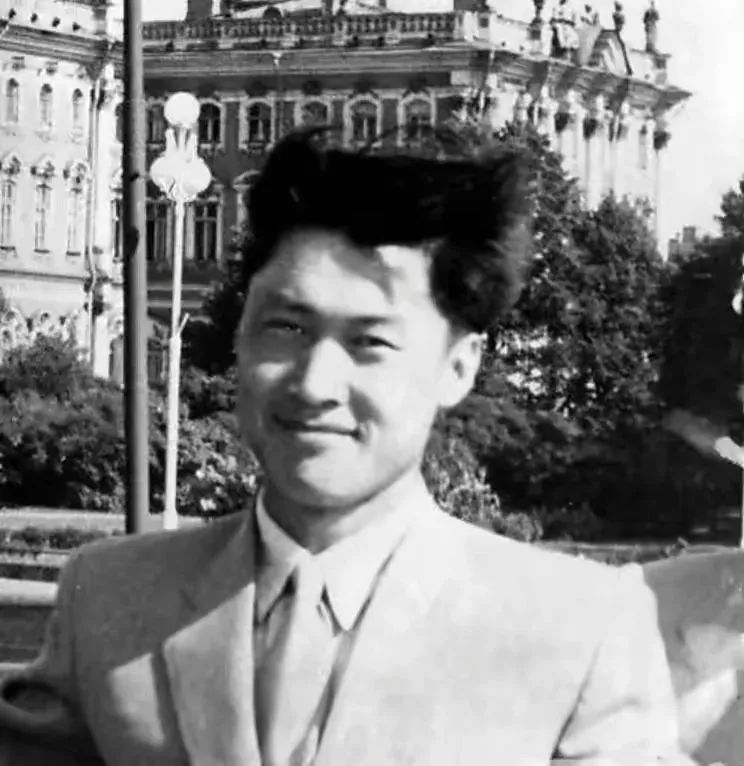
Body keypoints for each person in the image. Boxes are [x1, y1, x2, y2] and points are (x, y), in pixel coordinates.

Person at [0, 130, 693, 765]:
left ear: (459, 367)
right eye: (287, 328)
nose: (314, 384)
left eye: (370, 342)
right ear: (239, 333)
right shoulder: (111, 599)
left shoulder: (576, 629)